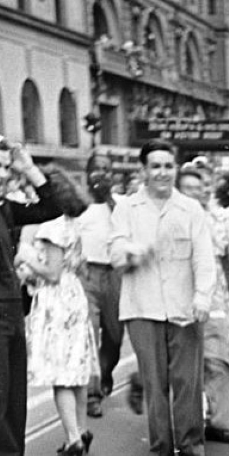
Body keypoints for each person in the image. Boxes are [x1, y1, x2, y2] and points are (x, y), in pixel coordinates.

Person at [109, 140, 216, 456]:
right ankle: (160, 452)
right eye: (155, 166)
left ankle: (191, 448)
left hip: (184, 307)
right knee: (155, 384)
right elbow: (114, 256)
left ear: (175, 169)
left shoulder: (190, 209)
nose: (162, 173)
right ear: (143, 170)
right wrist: (135, 251)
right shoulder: (126, 208)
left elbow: (204, 258)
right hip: (143, 308)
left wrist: (202, 298)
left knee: (188, 381)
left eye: (168, 166)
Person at [0, 134, 62, 456]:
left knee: (15, 404)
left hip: (11, 311)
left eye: (5, 167)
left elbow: (51, 206)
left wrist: (27, 167)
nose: (3, 174)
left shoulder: (2, 209)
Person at [18, 217, 99, 456]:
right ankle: (82, 429)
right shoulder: (71, 223)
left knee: (60, 373)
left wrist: (27, 259)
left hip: (56, 301)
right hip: (73, 294)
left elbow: (52, 273)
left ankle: (73, 438)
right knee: (76, 368)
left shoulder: (49, 228)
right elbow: (76, 264)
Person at [178, 164, 229, 444]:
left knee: (222, 360)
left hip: (216, 298)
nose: (199, 191)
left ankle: (219, 421)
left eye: (202, 185)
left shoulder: (218, 219)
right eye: (190, 188)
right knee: (190, 363)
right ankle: (192, 423)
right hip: (182, 295)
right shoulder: (174, 219)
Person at [77, 152, 144, 418]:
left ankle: (104, 375)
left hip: (116, 275)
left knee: (114, 337)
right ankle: (92, 395)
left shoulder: (119, 203)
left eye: (106, 169)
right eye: (96, 169)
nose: (101, 174)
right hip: (87, 274)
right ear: (87, 172)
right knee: (90, 336)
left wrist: (108, 198)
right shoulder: (78, 203)